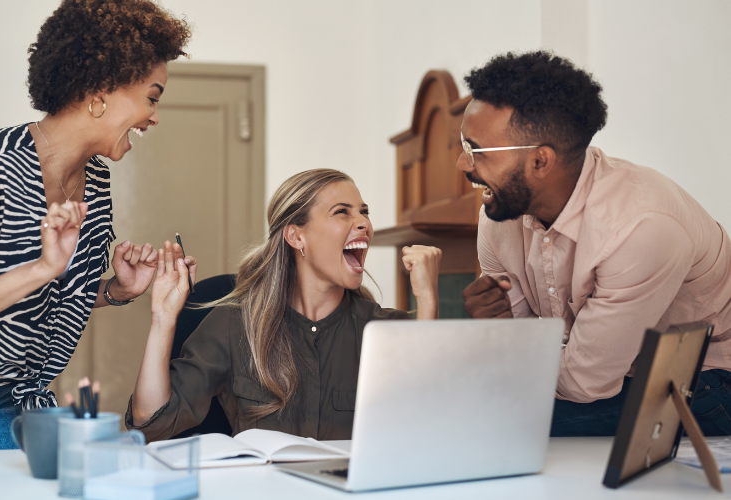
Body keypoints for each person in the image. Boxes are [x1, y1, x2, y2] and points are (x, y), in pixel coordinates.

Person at [0, 0, 192, 451]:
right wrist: (43, 267)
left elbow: (46, 297)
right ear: (101, 90)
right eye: (152, 97)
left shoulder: (97, 178)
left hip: (9, 396)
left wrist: (115, 291)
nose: (155, 116)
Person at [458, 51, 731, 436]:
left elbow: (585, 383)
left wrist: (510, 358)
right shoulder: (500, 214)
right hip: (613, 377)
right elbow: (519, 348)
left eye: (477, 151)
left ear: (540, 161)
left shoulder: (640, 225)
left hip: (707, 378)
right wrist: (496, 327)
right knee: (470, 407)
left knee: (488, 423)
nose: (462, 164)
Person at [127, 169, 442, 441]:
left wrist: (427, 301)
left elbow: (428, 427)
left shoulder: (386, 331)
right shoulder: (233, 324)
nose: (363, 223)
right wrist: (163, 318)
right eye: (342, 212)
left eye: (364, 212)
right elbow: (151, 422)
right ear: (296, 236)